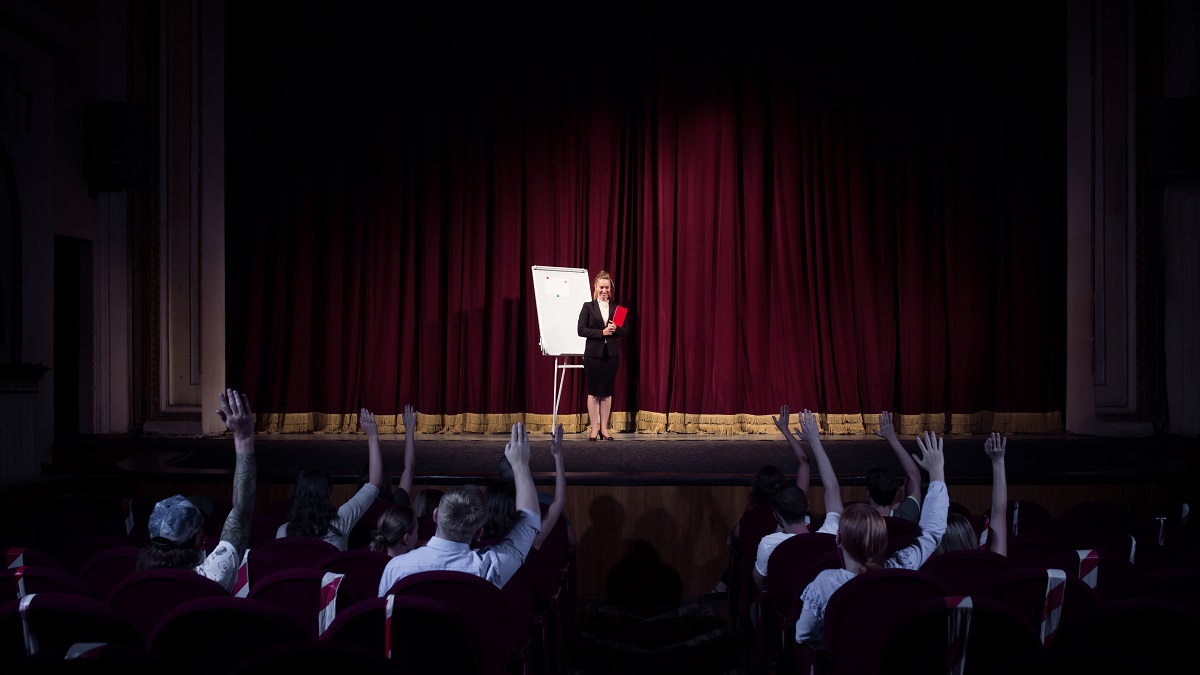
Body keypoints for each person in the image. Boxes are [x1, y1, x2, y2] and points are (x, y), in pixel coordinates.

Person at [794, 430, 948, 649]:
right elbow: (932, 532)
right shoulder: (903, 567)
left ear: (839, 540)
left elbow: (805, 637)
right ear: (883, 541)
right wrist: (937, 472)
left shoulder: (825, 584)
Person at [377, 422, 541, 593]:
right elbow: (529, 521)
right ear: (479, 532)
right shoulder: (488, 568)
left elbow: (383, 617)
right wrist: (520, 466)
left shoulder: (395, 569)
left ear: (435, 515)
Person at [136, 388, 257, 593]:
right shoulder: (212, 575)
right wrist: (243, 438)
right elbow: (241, 511)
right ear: (197, 539)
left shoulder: (138, 583)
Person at [752, 408, 842, 590]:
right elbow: (832, 489)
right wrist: (815, 441)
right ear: (807, 505)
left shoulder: (769, 545)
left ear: (776, 516)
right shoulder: (830, 535)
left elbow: (758, 581)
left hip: (789, 609)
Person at [277, 407, 384, 550]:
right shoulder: (340, 522)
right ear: (329, 494)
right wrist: (373, 437)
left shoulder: (283, 532)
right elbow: (375, 483)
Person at [934, 432, 1008, 556]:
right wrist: (998, 462)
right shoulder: (992, 565)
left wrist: (935, 469)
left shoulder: (931, 572)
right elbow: (999, 512)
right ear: (971, 537)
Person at [577, 270, 628, 441]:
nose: (604, 290)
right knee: (593, 392)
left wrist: (616, 329)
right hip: (593, 355)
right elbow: (581, 330)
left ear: (610, 289)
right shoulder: (588, 307)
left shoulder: (618, 308)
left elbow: (625, 331)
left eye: (607, 287)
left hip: (612, 355)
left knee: (606, 393)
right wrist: (602, 332)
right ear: (596, 287)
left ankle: (604, 429)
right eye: (601, 287)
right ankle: (593, 429)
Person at [866, 410, 923, 523]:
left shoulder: (859, 524)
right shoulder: (908, 516)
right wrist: (892, 438)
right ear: (896, 493)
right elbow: (914, 475)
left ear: (868, 494)